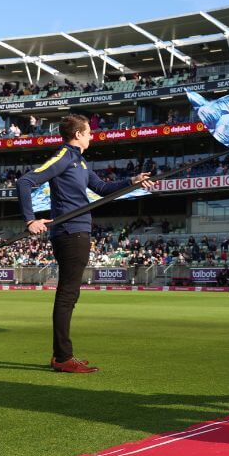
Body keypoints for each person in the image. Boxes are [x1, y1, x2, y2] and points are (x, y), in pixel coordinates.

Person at [17, 114, 153, 373]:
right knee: (67, 295)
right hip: (70, 233)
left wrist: (131, 181)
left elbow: (101, 188)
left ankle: (61, 355)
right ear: (78, 134)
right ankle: (62, 357)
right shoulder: (64, 156)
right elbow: (25, 182)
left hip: (78, 231)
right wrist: (30, 220)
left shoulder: (79, 161)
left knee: (70, 294)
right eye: (89, 132)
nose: (92, 136)